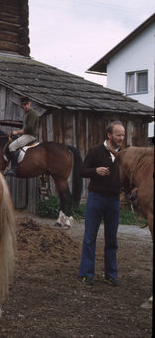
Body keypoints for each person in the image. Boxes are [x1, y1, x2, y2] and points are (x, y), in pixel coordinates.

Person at [77, 121, 125, 286]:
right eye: (118, 134)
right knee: (90, 238)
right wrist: (95, 171)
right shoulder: (95, 151)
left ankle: (111, 275)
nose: (121, 138)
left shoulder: (124, 155)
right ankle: (86, 273)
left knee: (112, 240)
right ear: (109, 135)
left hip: (113, 200)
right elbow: (81, 171)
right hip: (96, 198)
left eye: (123, 135)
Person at [4, 96, 39, 176]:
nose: (26, 106)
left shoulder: (32, 113)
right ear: (22, 106)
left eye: (27, 104)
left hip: (30, 135)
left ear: (30, 104)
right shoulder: (26, 114)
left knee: (12, 146)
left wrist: (17, 132)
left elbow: (29, 128)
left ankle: (14, 169)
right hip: (26, 135)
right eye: (24, 105)